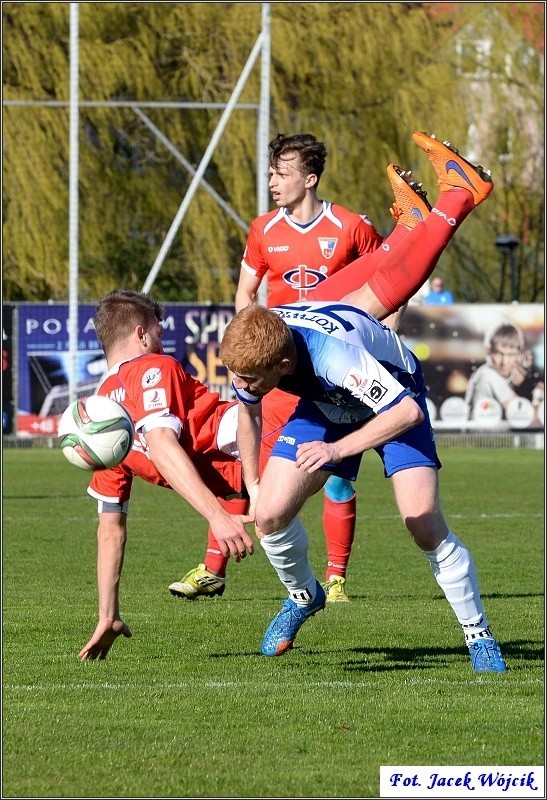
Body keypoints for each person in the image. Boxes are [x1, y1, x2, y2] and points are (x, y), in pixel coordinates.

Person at [219, 131, 507, 672]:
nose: (245, 385)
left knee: (421, 520)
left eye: (253, 379)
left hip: (391, 395)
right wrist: (254, 483)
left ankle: (478, 635)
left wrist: (336, 452)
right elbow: (247, 408)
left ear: (283, 367)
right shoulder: (258, 347)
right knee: (271, 513)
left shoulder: (332, 357)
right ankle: (304, 596)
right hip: (328, 404)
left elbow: (406, 412)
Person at [169, 131, 429, 604]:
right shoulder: (263, 229)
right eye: (271, 172)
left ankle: (335, 579)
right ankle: (215, 565)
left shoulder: (351, 227)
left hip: (333, 362)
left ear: (309, 179)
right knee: (255, 462)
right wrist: (248, 341)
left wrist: (386, 340)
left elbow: (389, 283)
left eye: (281, 173)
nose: (271, 181)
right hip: (276, 364)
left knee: (337, 472)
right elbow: (246, 294)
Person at [465, 320, 543, 425]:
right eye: (499, 354)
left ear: (518, 354)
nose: (504, 362)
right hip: (481, 438)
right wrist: (538, 396)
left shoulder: (512, 376)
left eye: (510, 355)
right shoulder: (487, 375)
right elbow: (530, 417)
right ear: (488, 351)